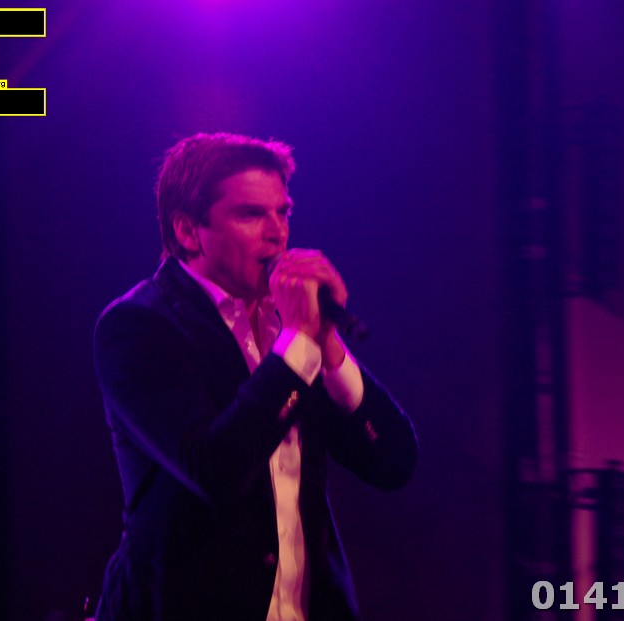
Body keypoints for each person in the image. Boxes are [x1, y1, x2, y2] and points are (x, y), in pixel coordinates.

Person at [92, 132, 417, 621]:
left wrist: (328, 345)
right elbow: (216, 469)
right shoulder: (139, 326)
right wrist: (299, 343)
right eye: (250, 214)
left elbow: (393, 461)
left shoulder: (286, 325)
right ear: (188, 231)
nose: (277, 233)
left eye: (283, 213)